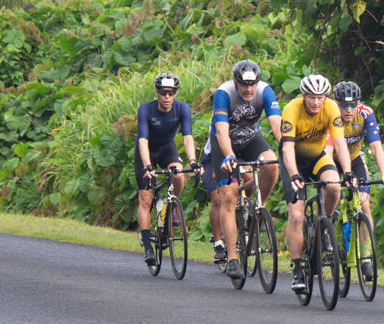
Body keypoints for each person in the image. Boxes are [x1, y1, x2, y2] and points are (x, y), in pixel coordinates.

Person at [205, 59, 283, 279]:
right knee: (229, 196)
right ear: (235, 81)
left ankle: (260, 205)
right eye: (244, 84)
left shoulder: (264, 91)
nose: (248, 89)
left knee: (272, 162)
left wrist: (285, 148)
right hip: (225, 142)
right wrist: (229, 155)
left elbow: (276, 124)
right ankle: (232, 257)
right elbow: (221, 131)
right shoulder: (224, 93)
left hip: (250, 139)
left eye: (252, 84)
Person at [281, 73, 356, 293]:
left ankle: (325, 225)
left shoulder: (331, 108)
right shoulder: (291, 110)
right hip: (293, 161)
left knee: (334, 186)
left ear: (326, 97)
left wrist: (348, 172)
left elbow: (340, 143)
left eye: (320, 97)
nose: (316, 102)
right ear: (303, 96)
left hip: (317, 157)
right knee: (296, 215)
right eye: (311, 97)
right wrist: (294, 175)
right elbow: (286, 148)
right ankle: (296, 270)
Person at [334, 81, 384, 280]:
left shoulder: (366, 113)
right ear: (336, 104)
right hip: (330, 158)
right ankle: (326, 231)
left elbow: (376, 147)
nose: (348, 109)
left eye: (353, 104)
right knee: (332, 193)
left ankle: (366, 257)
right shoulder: (330, 114)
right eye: (344, 105)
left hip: (354, 158)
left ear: (359, 103)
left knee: (364, 203)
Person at [135, 72, 197, 264]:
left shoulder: (182, 109)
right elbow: (143, 141)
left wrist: (193, 161)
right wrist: (147, 166)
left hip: (167, 149)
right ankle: (147, 247)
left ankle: (168, 210)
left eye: (171, 93)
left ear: (176, 93)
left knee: (178, 175)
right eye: (163, 93)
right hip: (146, 151)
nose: (167, 97)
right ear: (157, 92)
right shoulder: (146, 110)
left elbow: (187, 138)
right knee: (146, 199)